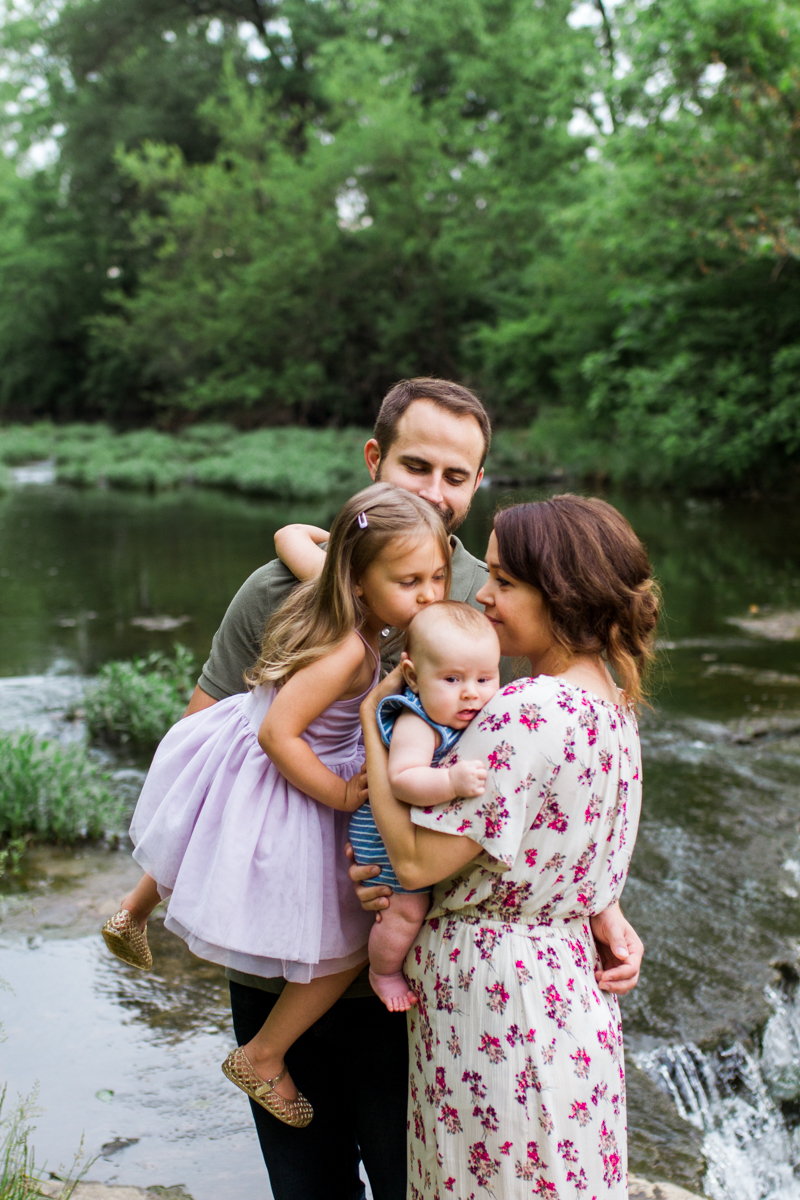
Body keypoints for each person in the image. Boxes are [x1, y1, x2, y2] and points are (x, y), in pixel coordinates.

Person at [113, 377, 644, 1200]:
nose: (436, 492)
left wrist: (598, 901)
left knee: (417, 1180)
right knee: (309, 1183)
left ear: (479, 483)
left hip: (418, 964)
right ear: (375, 458)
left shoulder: (496, 598)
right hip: (284, 955)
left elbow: (540, 778)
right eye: (416, 466)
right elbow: (209, 742)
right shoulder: (278, 589)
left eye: (457, 475)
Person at [103, 483, 450, 1130]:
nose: (429, 595)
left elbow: (289, 532)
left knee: (196, 835)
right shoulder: (351, 645)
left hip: (243, 743)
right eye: (411, 581)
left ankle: (132, 913)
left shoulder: (332, 586)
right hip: (291, 767)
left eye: (437, 576)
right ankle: (263, 1056)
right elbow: (278, 735)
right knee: (347, 941)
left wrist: (335, 540)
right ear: (360, 581)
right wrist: (342, 792)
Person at [358, 494, 658, 1198]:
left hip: (498, 997)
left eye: (504, 581)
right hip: (571, 990)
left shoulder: (526, 709)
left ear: (562, 592)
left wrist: (378, 728)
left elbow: (413, 863)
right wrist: (607, 915)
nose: (484, 597)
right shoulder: (615, 707)